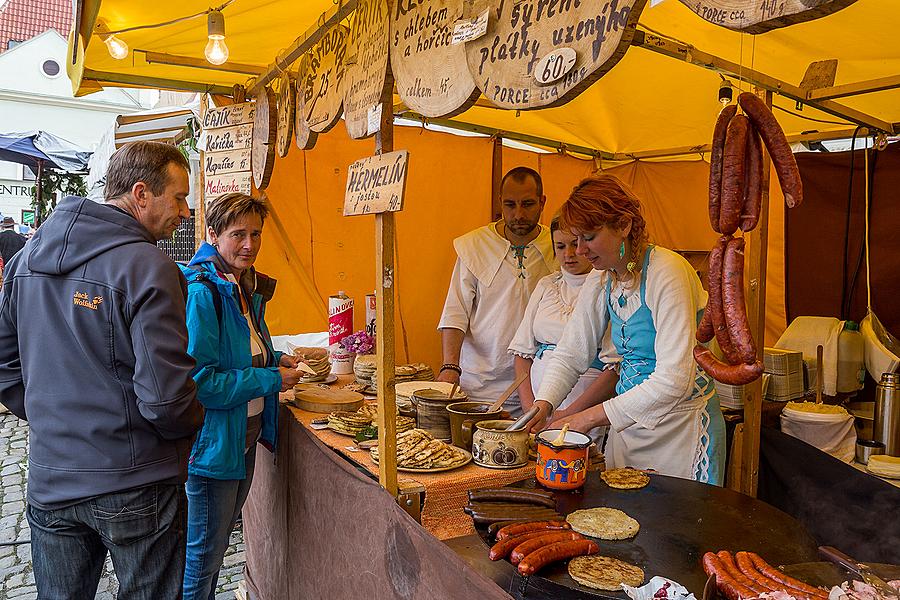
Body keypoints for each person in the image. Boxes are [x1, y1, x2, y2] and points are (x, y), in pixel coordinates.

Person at [0, 140, 204, 598]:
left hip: (53, 477)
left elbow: (3, 364)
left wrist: (48, 414)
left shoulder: (25, 260)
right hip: (135, 482)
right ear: (141, 194)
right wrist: (194, 425)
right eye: (180, 197)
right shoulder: (149, 266)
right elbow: (167, 398)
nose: (186, 211)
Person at [531, 175, 726, 485]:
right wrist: (544, 404)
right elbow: (571, 353)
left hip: (681, 429)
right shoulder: (602, 276)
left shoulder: (668, 272)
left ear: (623, 225)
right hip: (629, 430)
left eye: (589, 237)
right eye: (576, 238)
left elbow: (675, 380)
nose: (580, 250)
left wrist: (588, 417)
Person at [180, 192, 303, 600]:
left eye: (256, 234)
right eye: (238, 235)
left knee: (214, 550)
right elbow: (203, 384)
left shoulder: (240, 284)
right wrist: (272, 379)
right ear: (212, 234)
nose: (249, 244)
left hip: (242, 438)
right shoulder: (205, 292)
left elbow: (243, 351)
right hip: (214, 445)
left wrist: (282, 358)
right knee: (202, 558)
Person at [437, 167, 556, 414]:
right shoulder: (474, 247)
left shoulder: (559, 246)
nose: (518, 214)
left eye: (528, 204)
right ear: (500, 202)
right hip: (480, 386)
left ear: (542, 202)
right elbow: (455, 313)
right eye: (510, 205)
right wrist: (450, 366)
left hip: (539, 387)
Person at [508, 215, 619, 439]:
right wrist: (533, 410)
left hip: (587, 407)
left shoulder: (610, 286)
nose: (569, 254)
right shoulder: (547, 285)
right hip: (540, 403)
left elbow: (615, 369)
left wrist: (570, 413)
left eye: (576, 244)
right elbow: (522, 353)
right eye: (560, 246)